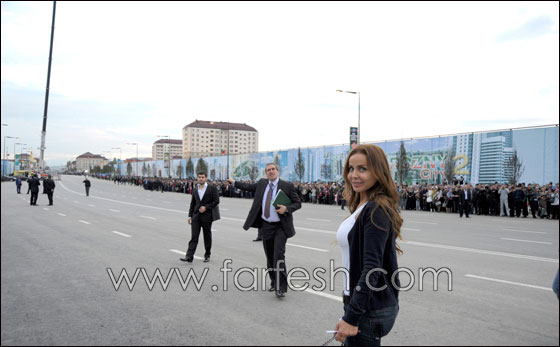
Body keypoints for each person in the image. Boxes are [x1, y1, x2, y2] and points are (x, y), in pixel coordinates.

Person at [333, 144, 402, 346]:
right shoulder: (364, 206)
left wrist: (352, 316)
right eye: (351, 169)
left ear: (378, 172)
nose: (354, 175)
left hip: (368, 309)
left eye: (362, 169)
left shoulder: (376, 209)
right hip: (363, 303)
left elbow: (372, 268)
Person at [227, 163, 301, 298]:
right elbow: (248, 187)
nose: (271, 172)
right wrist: (234, 182)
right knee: (270, 256)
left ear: (278, 171)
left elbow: (298, 203)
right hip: (266, 225)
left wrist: (287, 209)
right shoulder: (262, 183)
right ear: (266, 173)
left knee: (278, 256)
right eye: (268, 170)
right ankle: (274, 281)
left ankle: (281, 287)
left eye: (273, 169)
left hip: (281, 227)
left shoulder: (287, 186)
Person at [180, 171, 219, 263]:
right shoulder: (195, 189)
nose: (201, 179)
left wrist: (206, 207)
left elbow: (216, 201)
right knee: (194, 237)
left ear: (206, 178)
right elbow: (192, 204)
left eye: (202, 177)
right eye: (199, 177)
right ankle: (189, 256)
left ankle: (207, 255)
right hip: (196, 216)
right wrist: (190, 216)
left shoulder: (212, 188)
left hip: (207, 216)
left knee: (207, 236)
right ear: (197, 178)